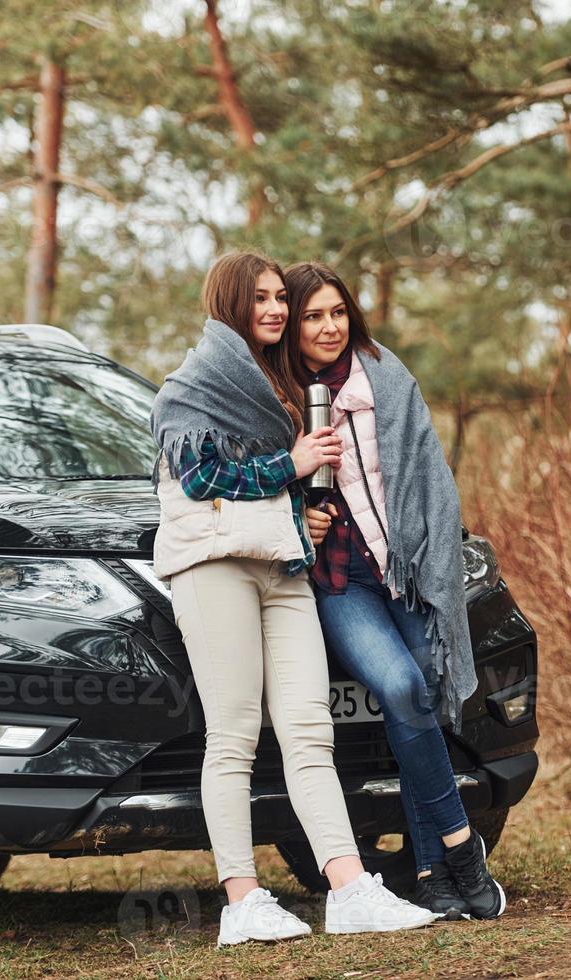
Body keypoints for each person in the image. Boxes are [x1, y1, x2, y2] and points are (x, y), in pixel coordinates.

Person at [151, 250, 438, 945]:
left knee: (311, 729)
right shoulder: (188, 386)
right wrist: (292, 465)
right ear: (230, 305)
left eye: (281, 297)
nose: (276, 310)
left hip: (282, 565)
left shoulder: (282, 384)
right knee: (235, 735)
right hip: (216, 565)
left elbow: (294, 483)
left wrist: (306, 511)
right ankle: (242, 901)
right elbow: (199, 477)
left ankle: (348, 890)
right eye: (261, 300)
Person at [275, 260, 507, 921]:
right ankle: (462, 847)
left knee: (429, 691)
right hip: (338, 581)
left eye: (337, 312)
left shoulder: (385, 374)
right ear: (293, 324)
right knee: (402, 686)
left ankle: (433, 875)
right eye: (313, 315)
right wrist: (301, 515)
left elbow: (431, 476)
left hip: (401, 570)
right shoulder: (282, 395)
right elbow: (266, 478)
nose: (328, 326)